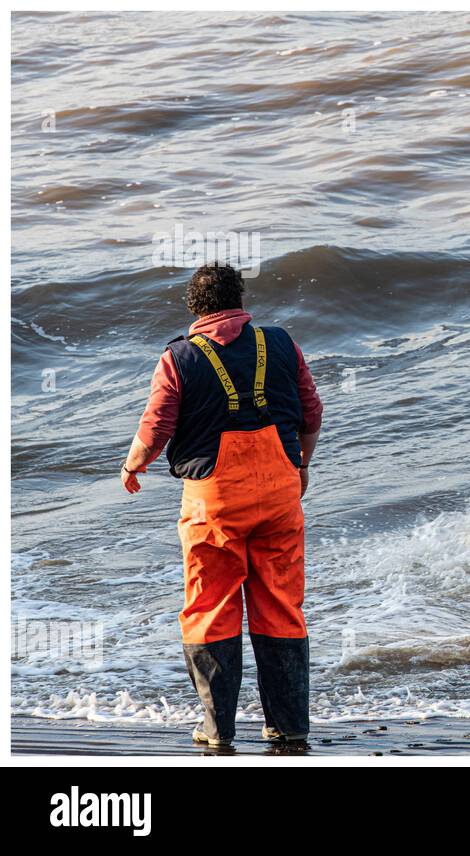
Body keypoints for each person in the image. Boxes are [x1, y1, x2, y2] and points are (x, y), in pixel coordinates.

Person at [121, 263, 323, 747]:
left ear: (195, 307)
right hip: (280, 490)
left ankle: (218, 730)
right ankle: (289, 725)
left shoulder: (178, 358)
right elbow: (311, 411)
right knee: (281, 606)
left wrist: (132, 466)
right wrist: (301, 466)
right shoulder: (280, 342)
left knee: (210, 607)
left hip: (214, 500)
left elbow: (157, 428)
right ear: (239, 299)